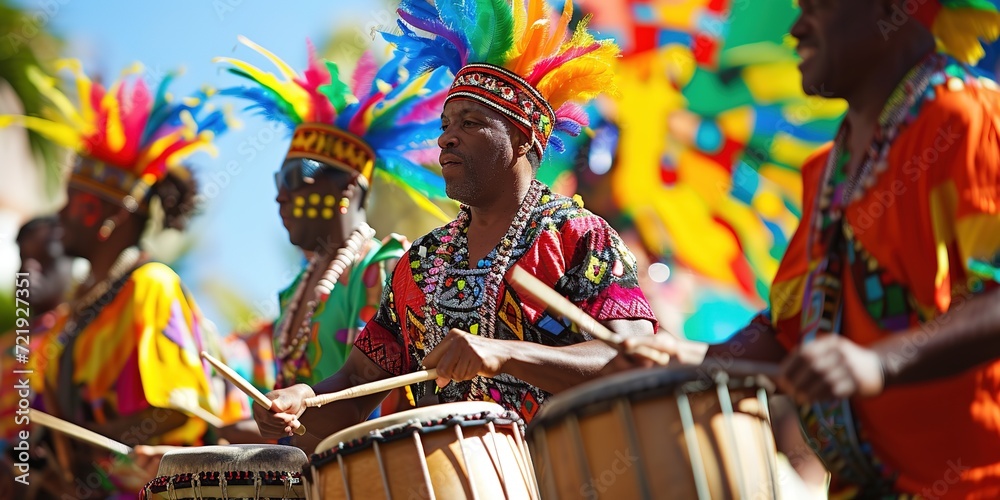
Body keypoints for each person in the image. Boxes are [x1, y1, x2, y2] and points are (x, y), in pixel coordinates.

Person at [611, 0, 1000, 497]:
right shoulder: (829, 168)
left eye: (817, 8)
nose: (796, 29)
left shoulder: (966, 116)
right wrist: (687, 357)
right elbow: (790, 333)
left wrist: (876, 364)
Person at [252, 0, 658, 450]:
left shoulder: (580, 237)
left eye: (470, 122)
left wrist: (506, 355)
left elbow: (633, 360)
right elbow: (358, 382)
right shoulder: (422, 263)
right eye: (445, 123)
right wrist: (303, 402)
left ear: (523, 137)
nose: (447, 135)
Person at [1, 60, 245, 497]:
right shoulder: (74, 313)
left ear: (107, 217)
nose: (59, 216)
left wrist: (87, 446)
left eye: (71, 202)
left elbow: (176, 409)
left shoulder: (150, 285)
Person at [213, 40, 454, 445]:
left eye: (295, 178)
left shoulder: (388, 267)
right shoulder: (294, 290)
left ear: (346, 186)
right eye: (278, 181)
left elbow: (389, 394)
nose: (280, 195)